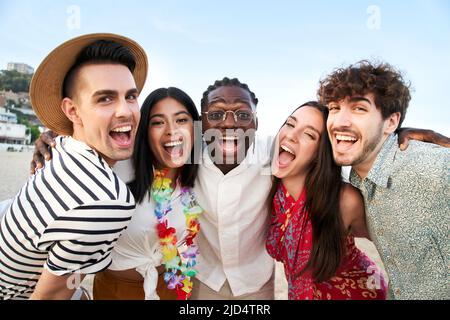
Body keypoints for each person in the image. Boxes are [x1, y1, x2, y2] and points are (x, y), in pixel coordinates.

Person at [31, 77, 449, 300]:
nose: (229, 122)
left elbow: (322, 154)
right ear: (201, 122)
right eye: (216, 113)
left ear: (256, 117)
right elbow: (123, 144)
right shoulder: (186, 157)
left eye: (241, 113)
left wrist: (399, 132)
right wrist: (62, 139)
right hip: (202, 282)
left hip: (257, 284)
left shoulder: (271, 156)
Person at [0, 33, 148, 300]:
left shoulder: (64, 146)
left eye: (131, 96)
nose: (125, 111)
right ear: (72, 111)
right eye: (105, 98)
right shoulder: (107, 200)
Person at [318, 60, 450, 300]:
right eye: (335, 108)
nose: (340, 121)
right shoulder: (358, 181)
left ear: (391, 121)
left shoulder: (434, 167)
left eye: (359, 108)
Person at [266, 101, 387, 300]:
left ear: (319, 153)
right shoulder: (270, 187)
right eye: (290, 124)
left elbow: (393, 243)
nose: (291, 135)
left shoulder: (344, 200)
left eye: (309, 135)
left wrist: (403, 135)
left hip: (360, 293)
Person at [93, 87, 203, 300]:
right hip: (115, 291)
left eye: (181, 120)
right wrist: (55, 140)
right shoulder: (118, 169)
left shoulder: (199, 173)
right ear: (145, 129)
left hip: (171, 286)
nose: (171, 131)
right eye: (158, 122)